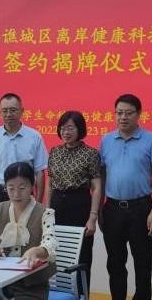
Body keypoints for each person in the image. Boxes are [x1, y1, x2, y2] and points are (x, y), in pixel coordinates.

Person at [99, 93, 152, 300]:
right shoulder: (106, 140)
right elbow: (101, 176)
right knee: (115, 262)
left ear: (139, 114)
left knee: (143, 263)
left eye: (128, 113)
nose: (123, 117)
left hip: (141, 209)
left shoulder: (151, 139)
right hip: (112, 209)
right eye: (119, 113)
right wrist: (99, 209)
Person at [0, 161, 58, 300]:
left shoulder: (45, 213)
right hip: (0, 281)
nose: (16, 194)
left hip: (32, 285)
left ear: (32, 186)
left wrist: (37, 250)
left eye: (22, 188)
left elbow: (50, 242)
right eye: (11, 188)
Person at [45, 110, 101, 293]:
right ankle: (60, 293)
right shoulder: (54, 152)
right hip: (57, 205)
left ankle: (81, 295)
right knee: (57, 253)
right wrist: (47, 210)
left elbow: (97, 187)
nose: (66, 132)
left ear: (80, 129)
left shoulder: (91, 154)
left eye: (70, 128)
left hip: (79, 205)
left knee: (81, 254)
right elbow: (50, 184)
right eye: (62, 128)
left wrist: (92, 217)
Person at [0, 93, 48, 219]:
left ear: (22, 111)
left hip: (24, 195)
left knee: (24, 230)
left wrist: (37, 203)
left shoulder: (34, 137)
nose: (8, 114)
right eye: (4, 111)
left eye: (13, 110)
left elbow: (39, 172)